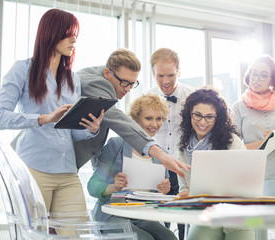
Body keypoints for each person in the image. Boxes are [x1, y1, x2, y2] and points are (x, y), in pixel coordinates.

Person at [0, 8, 103, 221]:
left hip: (68, 172)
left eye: (75, 35)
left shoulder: (72, 79)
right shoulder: (22, 70)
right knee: (35, 235)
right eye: (69, 34)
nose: (74, 40)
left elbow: (71, 131)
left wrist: (90, 129)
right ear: (52, 33)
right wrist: (43, 119)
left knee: (75, 234)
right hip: (34, 170)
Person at [74, 48, 189, 178]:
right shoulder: (95, 83)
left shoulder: (189, 96)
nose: (128, 89)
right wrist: (160, 153)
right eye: (124, 83)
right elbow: (117, 119)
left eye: (132, 84)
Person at [231, 55, 275, 240]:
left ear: (273, 80)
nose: (256, 79)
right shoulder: (239, 107)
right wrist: (265, 141)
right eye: (254, 74)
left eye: (263, 75)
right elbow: (234, 150)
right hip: (265, 176)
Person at [87, 93, 177, 240]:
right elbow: (92, 186)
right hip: (113, 213)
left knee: (170, 237)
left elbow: (159, 197)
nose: (154, 124)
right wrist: (114, 187)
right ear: (136, 120)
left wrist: (164, 190)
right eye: (148, 118)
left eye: (159, 118)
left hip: (143, 214)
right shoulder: (116, 145)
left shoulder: (161, 154)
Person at [177, 87, 254, 240]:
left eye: (209, 117)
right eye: (197, 115)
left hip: (236, 212)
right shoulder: (184, 147)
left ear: (217, 118)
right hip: (206, 214)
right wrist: (185, 194)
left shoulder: (232, 141)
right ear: (189, 114)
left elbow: (248, 180)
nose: (202, 122)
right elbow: (184, 186)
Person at [148, 48, 193, 240]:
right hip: (157, 166)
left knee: (185, 218)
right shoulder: (147, 99)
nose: (166, 81)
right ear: (153, 74)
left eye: (171, 75)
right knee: (160, 219)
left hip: (184, 165)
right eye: (160, 76)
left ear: (179, 73)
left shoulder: (192, 97)